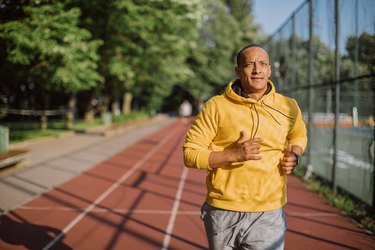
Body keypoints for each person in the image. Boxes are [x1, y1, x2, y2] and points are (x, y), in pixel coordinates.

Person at [183, 44, 307, 250]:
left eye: (263, 64)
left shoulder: (289, 106)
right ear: (238, 71)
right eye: (250, 64)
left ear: (269, 70)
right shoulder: (216, 106)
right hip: (222, 210)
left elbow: (299, 136)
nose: (257, 70)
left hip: (269, 210)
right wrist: (231, 154)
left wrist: (295, 155)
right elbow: (190, 154)